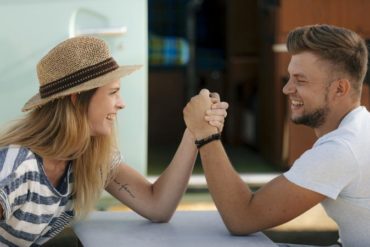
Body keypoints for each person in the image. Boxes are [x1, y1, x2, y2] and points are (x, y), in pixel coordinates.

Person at [0, 36, 229, 246]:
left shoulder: (88, 156)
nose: (121, 103)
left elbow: (158, 206)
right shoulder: (17, 165)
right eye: (113, 93)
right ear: (76, 100)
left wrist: (194, 133)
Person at [183, 24, 369, 247]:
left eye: (301, 80)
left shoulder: (342, 149)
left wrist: (206, 134)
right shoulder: (359, 130)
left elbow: (242, 218)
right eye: (290, 77)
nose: (287, 88)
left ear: (340, 89)